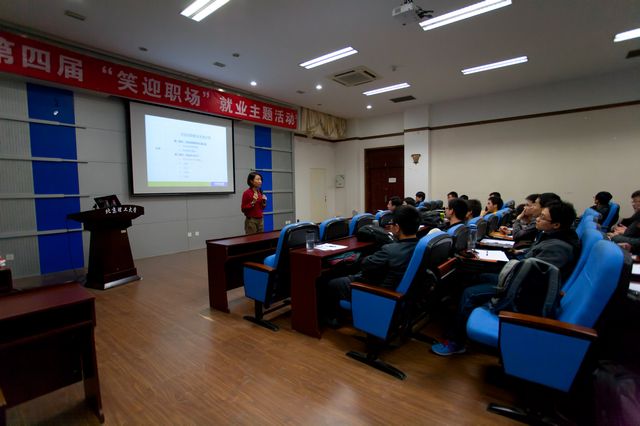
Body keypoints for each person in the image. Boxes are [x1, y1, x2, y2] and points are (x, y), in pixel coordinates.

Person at [432, 200, 580, 356]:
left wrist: (509, 266)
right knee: (475, 276)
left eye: (542, 217)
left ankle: (455, 342)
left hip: (523, 293)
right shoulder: (550, 237)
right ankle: (455, 325)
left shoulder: (559, 248)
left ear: (556, 225)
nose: (537, 218)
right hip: (518, 280)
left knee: (470, 293)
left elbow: (533, 279)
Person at [323, 205, 421, 325]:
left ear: (397, 227)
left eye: (391, 224)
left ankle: (334, 320)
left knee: (332, 282)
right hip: (399, 291)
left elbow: (365, 264)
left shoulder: (390, 250)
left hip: (378, 292)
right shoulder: (420, 247)